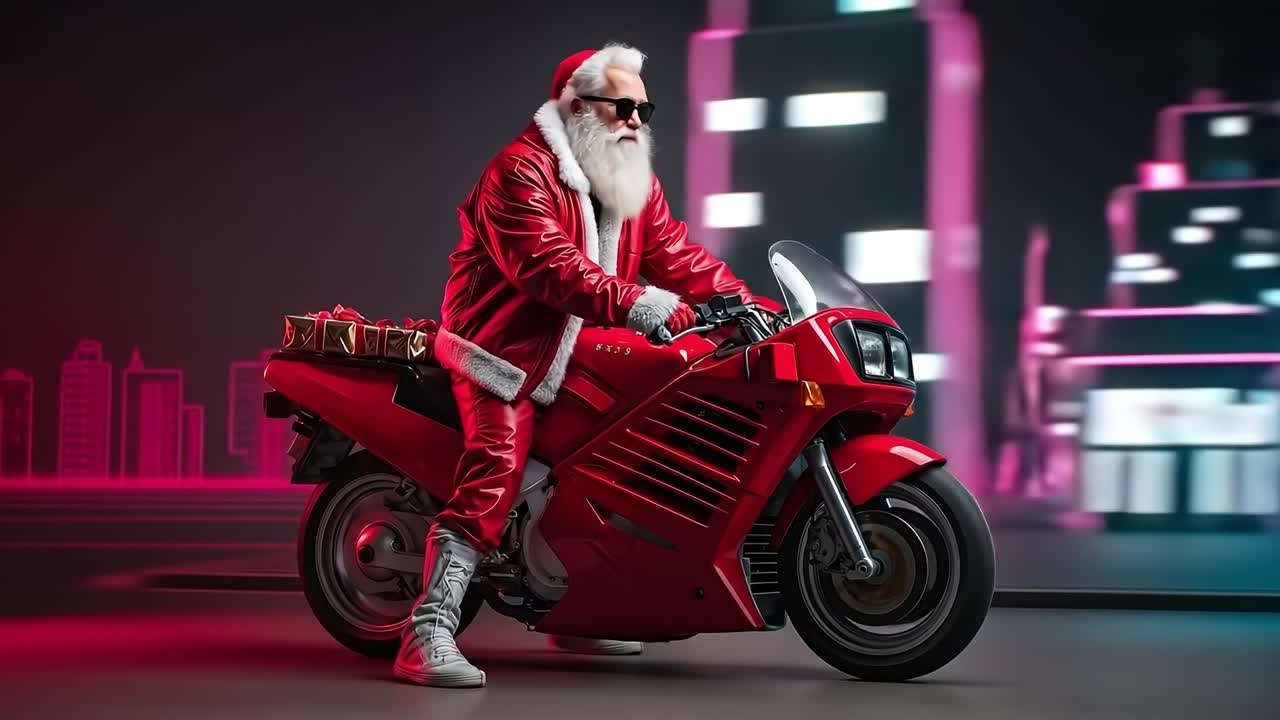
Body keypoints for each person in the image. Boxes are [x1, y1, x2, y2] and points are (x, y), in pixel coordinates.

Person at [394, 43, 775, 689]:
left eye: (644, 108)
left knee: (625, 455)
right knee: (499, 469)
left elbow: (677, 255)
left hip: (587, 350)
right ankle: (426, 630)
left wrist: (748, 305)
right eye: (622, 106)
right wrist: (637, 301)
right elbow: (546, 266)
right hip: (504, 353)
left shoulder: (631, 184)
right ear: (575, 105)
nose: (635, 120)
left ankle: (576, 605)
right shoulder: (519, 171)